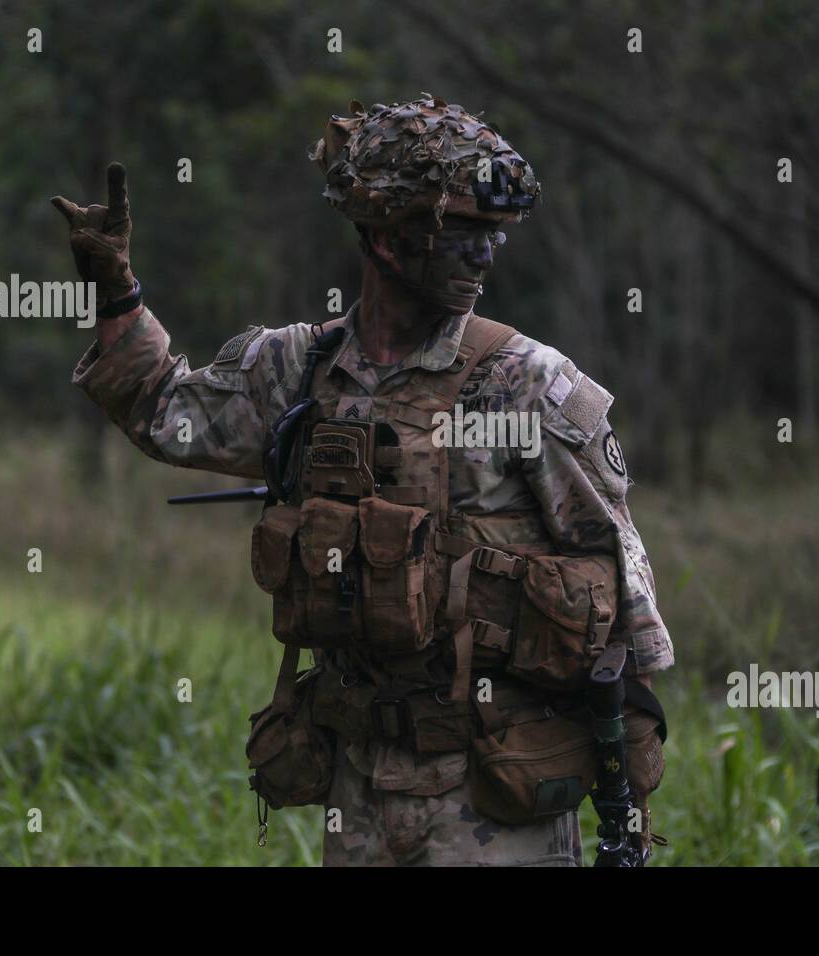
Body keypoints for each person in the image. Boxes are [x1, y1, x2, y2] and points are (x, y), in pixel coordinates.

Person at [52, 96, 672, 866]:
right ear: (382, 234)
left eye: (494, 237)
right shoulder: (300, 370)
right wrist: (116, 293)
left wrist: (630, 814)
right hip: (359, 788)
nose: (483, 258)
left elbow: (626, 603)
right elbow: (161, 413)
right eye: (460, 233)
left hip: (498, 794)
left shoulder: (525, 385)